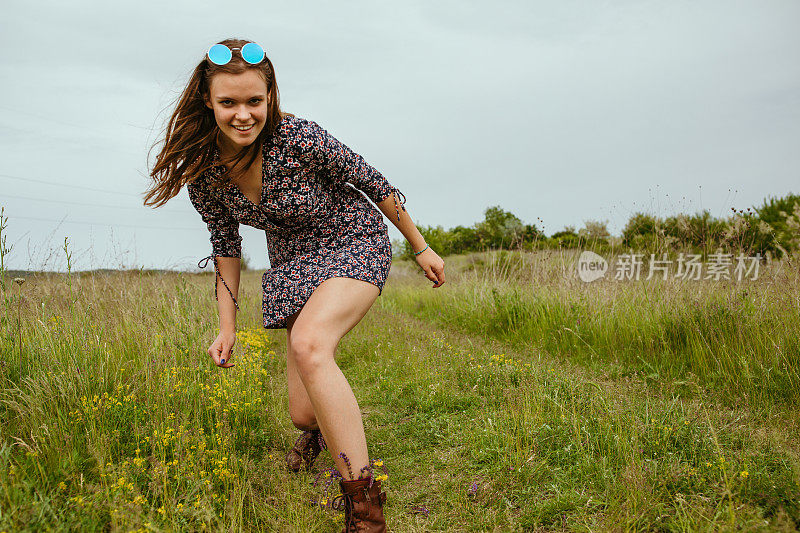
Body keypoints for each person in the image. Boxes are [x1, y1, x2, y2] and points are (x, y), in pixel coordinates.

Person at [144, 38, 445, 531]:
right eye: (229, 103)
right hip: (291, 265)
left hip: (352, 240)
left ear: (270, 97)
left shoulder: (299, 138)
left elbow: (374, 182)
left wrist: (419, 244)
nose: (243, 114)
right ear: (208, 101)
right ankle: (319, 432)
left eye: (253, 102)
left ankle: (365, 507)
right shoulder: (206, 174)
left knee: (310, 346)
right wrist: (227, 327)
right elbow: (226, 248)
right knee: (302, 414)